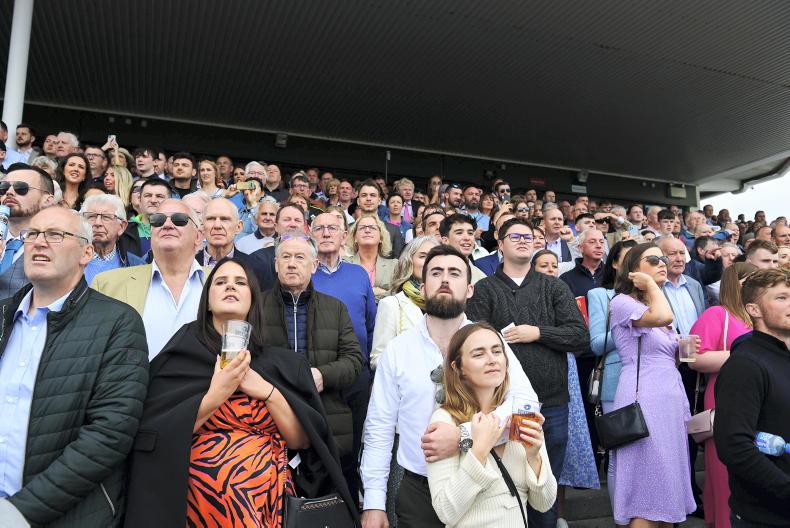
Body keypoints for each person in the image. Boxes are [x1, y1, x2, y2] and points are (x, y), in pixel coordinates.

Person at [124, 257, 357, 527]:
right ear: (207, 302)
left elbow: (302, 440)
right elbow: (159, 435)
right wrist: (216, 394)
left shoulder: (282, 364)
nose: (230, 287)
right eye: (221, 282)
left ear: (252, 300)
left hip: (267, 509)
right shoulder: (179, 357)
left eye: (240, 282)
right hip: (195, 510)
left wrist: (268, 392)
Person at [360, 245, 540, 528]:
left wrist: (463, 437)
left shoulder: (492, 343)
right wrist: (373, 502)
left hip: (484, 486)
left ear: (469, 289)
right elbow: (379, 427)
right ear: (423, 286)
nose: (445, 279)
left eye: (454, 273)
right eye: (436, 272)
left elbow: (527, 406)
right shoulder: (398, 350)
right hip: (418, 492)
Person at [0, 207, 149, 527]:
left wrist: (20, 511)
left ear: (86, 253)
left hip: (63, 515)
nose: (39, 242)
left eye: (55, 235)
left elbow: (110, 433)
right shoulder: (3, 317)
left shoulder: (118, 323)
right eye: (32, 234)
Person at [467, 218, 589, 528]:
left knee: (544, 484)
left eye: (529, 236)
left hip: (553, 403)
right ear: (501, 242)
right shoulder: (484, 289)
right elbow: (472, 342)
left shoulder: (554, 286)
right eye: (515, 236)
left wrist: (537, 332)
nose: (523, 240)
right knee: (506, 486)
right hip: (501, 405)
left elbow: (579, 336)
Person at [427, 322, 556, 526]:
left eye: (497, 351)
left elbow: (544, 503)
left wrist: (534, 457)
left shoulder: (520, 414)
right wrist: (478, 452)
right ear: (458, 368)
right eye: (479, 354)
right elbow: (445, 511)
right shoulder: (445, 421)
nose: (492, 360)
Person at [608, 242, 697, 526]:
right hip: (644, 398)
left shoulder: (651, 303)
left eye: (663, 258)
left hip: (668, 398)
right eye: (653, 258)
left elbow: (675, 356)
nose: (663, 262)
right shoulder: (622, 302)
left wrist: (687, 350)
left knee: (668, 486)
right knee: (646, 491)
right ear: (633, 269)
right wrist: (651, 285)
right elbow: (664, 316)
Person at [259, 233, 364, 457]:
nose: (291, 264)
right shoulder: (256, 307)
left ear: (314, 265)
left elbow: (354, 361)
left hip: (328, 419)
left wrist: (321, 376)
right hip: (270, 420)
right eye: (285, 257)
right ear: (276, 265)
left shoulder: (336, 309)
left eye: (300, 257)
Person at [714, 268, 790, 526]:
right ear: (754, 309)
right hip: (765, 517)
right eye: (781, 298)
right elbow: (735, 447)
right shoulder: (745, 365)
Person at [310, 211, 377, 503]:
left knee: (354, 451)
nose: (326, 233)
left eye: (332, 228)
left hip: (356, 378)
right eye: (320, 228)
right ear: (310, 233)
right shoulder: (303, 273)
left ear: (342, 235)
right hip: (315, 377)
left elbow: (372, 326)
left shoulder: (358, 274)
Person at [530, 249, 599, 526]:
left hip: (565, 370)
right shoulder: (525, 297)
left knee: (563, 444)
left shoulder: (564, 295)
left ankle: (559, 515)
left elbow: (579, 337)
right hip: (534, 375)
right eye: (543, 265)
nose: (549, 269)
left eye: (553, 265)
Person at [92, 199, 207, 360]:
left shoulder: (224, 280)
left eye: (179, 219)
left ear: (198, 236)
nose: (167, 225)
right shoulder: (107, 284)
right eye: (158, 220)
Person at [688, 263, 756, 528]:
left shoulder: (762, 316)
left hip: (761, 398)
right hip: (725, 397)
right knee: (724, 469)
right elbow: (695, 358)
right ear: (733, 283)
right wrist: (751, 356)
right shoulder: (718, 314)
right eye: (749, 280)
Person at [587, 240, 637, 414]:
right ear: (615, 264)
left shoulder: (654, 294)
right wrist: (632, 327)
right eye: (629, 258)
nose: (634, 264)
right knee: (622, 439)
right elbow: (597, 344)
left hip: (651, 378)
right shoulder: (599, 295)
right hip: (616, 380)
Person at [0, 165, 56, 298]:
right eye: (3, 188)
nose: (9, 192)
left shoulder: (57, 246)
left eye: (21, 188)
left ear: (47, 200)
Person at [81, 194, 145, 285]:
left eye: (106, 217)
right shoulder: (70, 260)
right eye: (92, 216)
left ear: (122, 226)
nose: (97, 223)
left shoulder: (137, 265)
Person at [248, 202, 308, 291]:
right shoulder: (257, 259)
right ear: (276, 226)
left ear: (304, 227)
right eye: (287, 220)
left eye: (297, 220)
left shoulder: (312, 258)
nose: (293, 224)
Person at [346, 214, 397, 299]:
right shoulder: (344, 263)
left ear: (381, 237)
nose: (367, 230)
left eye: (372, 228)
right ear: (355, 237)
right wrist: (374, 291)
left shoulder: (394, 265)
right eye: (362, 228)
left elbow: (398, 296)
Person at [196, 198, 252, 267]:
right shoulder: (189, 264)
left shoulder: (254, 266)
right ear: (202, 226)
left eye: (224, 219)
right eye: (211, 219)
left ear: (238, 227)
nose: (217, 225)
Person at [356, 179, 404, 257]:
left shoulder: (394, 230)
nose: (368, 198)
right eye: (364, 195)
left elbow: (398, 263)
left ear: (379, 201)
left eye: (372, 195)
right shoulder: (349, 228)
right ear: (358, 201)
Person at [126, 178, 171, 256]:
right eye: (148, 195)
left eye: (159, 196)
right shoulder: (124, 230)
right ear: (140, 200)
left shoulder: (177, 229)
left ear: (169, 201)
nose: (153, 200)